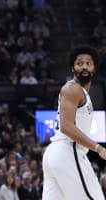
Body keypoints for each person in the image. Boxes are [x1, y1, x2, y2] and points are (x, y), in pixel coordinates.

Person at [43, 45, 106, 200]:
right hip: (68, 152)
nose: (84, 66)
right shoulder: (73, 89)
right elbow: (66, 126)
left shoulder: (81, 93)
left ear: (94, 68)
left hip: (55, 154)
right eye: (79, 63)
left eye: (88, 63)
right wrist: (98, 148)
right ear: (72, 68)